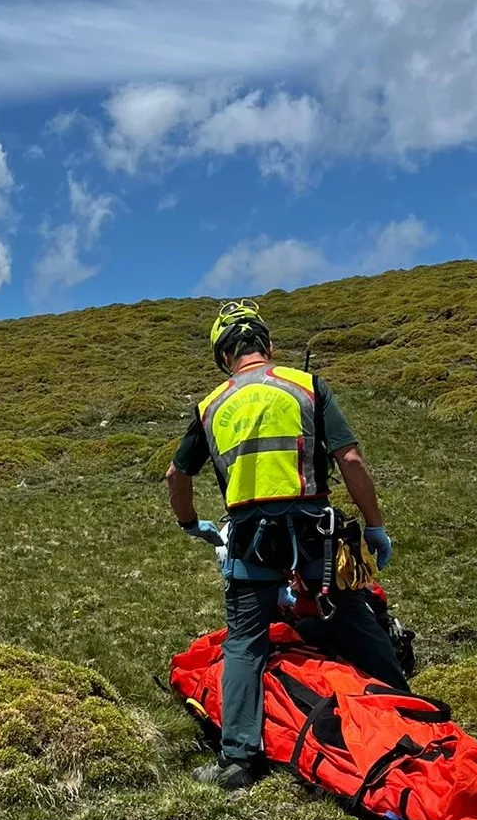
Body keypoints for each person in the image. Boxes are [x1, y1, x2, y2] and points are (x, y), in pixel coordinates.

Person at [165, 300, 404, 791]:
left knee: (246, 642)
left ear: (223, 356)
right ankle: (404, 706)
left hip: (251, 537)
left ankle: (237, 761)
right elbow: (351, 459)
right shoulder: (305, 385)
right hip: (315, 528)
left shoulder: (210, 406)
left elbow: (176, 474)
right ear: (267, 346)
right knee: (352, 611)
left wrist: (192, 524)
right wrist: (375, 524)